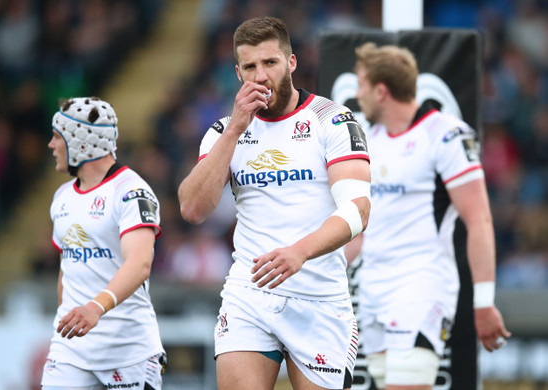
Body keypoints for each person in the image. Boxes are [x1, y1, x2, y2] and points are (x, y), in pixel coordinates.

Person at [178, 16, 371, 390]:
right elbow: (192, 209)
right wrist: (235, 128)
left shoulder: (331, 120)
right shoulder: (224, 131)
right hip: (249, 294)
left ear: (291, 63)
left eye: (270, 63)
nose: (261, 75)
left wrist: (299, 252)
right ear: (237, 73)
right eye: (250, 66)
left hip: (318, 298)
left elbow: (358, 209)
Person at [350, 42, 512, 390]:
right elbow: (357, 230)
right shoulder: (367, 138)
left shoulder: (446, 134)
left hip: (421, 285)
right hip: (372, 288)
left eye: (361, 85)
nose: (357, 94)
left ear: (381, 91)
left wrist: (483, 302)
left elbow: (479, 220)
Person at [42, 97, 166, 390]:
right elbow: (67, 270)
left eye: (57, 137)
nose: (50, 145)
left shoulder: (132, 191)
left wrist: (95, 308)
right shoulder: (62, 197)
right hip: (71, 351)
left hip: (128, 351)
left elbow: (140, 264)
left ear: (80, 142)